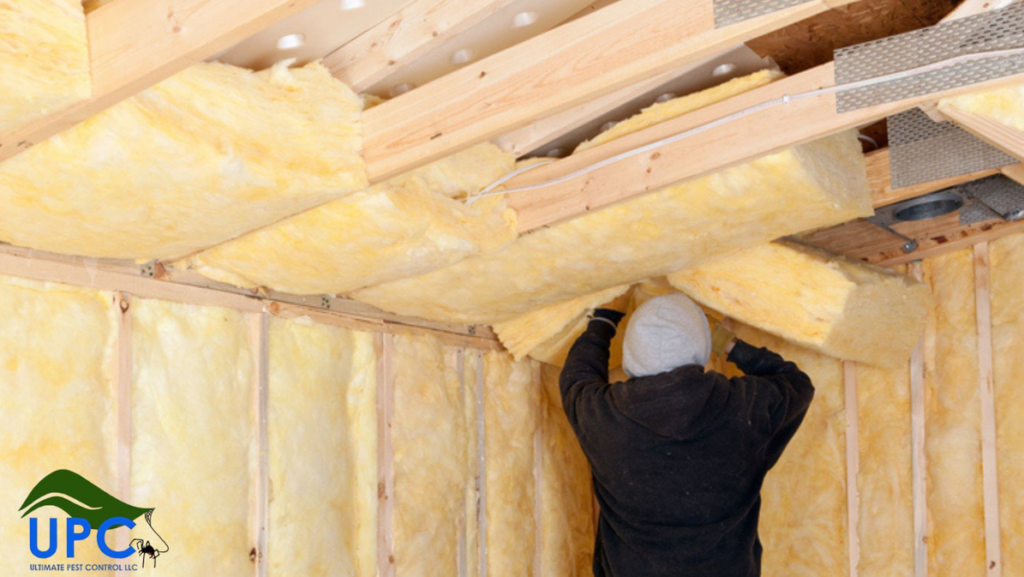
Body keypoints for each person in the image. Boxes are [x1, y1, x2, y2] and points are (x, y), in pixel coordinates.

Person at [559, 292, 815, 577]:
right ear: (700, 347)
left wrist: (604, 320)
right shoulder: (746, 408)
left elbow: (577, 376)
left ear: (633, 352)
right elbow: (797, 384)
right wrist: (727, 344)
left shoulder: (602, 417)